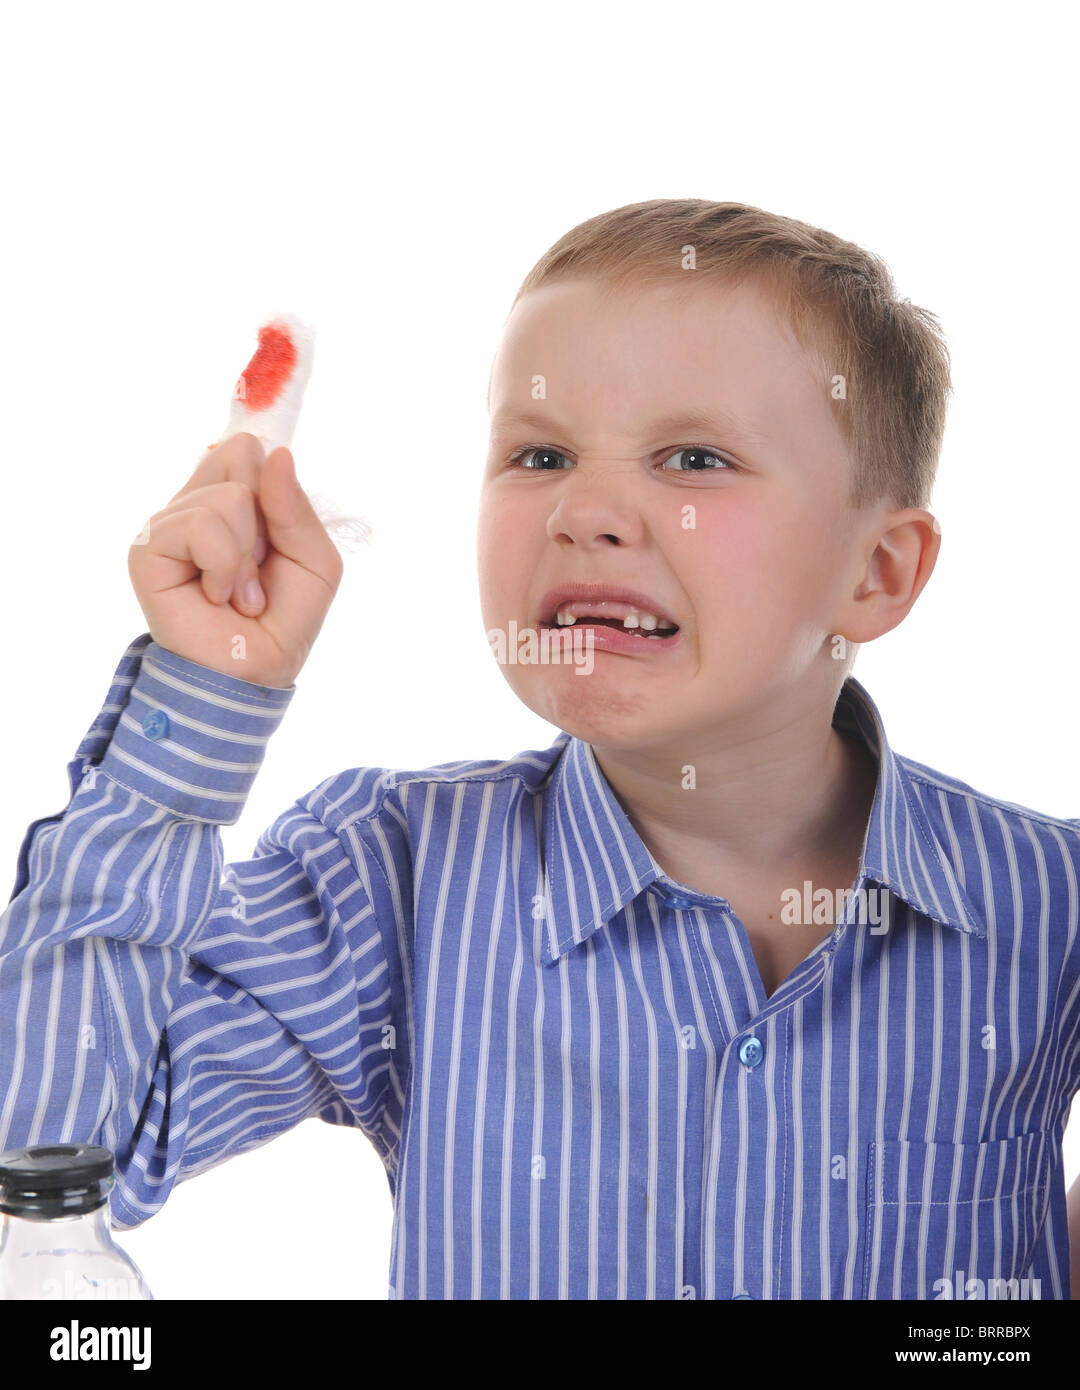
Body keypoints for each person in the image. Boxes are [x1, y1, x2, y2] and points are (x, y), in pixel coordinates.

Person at [3, 198, 1079, 1300]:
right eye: (541, 452)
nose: (587, 509)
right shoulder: (396, 875)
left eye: (695, 457)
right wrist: (206, 691)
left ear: (879, 574)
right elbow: (49, 1155)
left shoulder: (1052, 903)